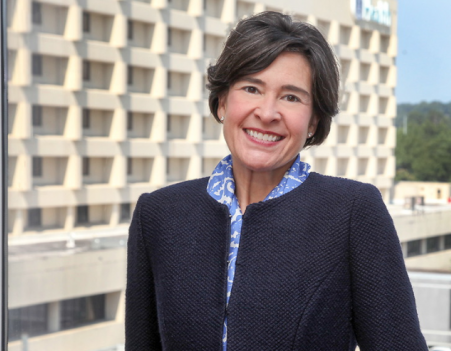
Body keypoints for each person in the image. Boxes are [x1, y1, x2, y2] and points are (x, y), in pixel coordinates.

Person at [125, 11, 426, 350]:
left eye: (291, 96)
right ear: (223, 100)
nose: (267, 113)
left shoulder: (352, 213)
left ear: (313, 120)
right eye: (251, 88)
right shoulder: (159, 214)